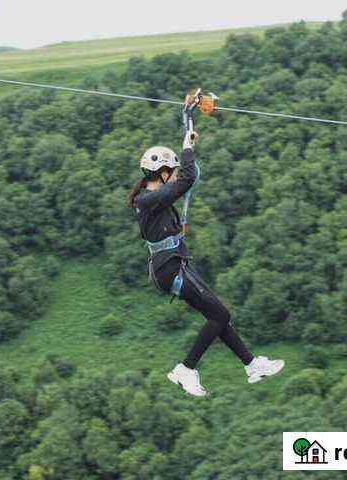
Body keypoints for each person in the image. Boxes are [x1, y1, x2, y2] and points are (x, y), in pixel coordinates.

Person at [127, 98, 285, 397]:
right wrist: (187, 148)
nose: (173, 176)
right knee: (220, 315)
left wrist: (188, 116)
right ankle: (185, 370)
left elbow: (187, 176)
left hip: (174, 266)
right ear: (161, 174)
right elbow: (186, 178)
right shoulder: (148, 200)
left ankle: (252, 366)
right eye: (170, 172)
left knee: (217, 316)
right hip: (169, 269)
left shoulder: (155, 195)